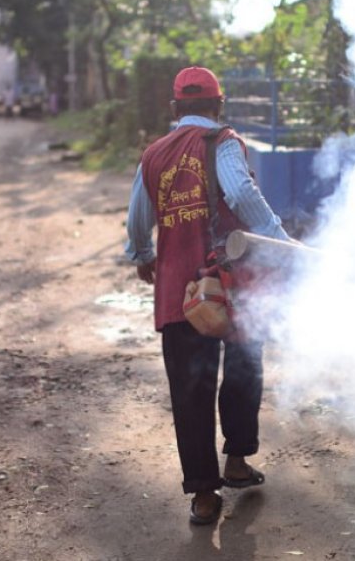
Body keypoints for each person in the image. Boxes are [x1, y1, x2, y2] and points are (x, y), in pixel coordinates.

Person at [125, 66, 291, 525]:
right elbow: (240, 192)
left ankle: (203, 494)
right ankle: (236, 461)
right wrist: (278, 239)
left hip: (180, 292)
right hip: (231, 285)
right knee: (243, 370)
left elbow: (138, 218)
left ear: (175, 108)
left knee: (190, 389)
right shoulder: (223, 141)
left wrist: (142, 254)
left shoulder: (153, 155)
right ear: (219, 105)